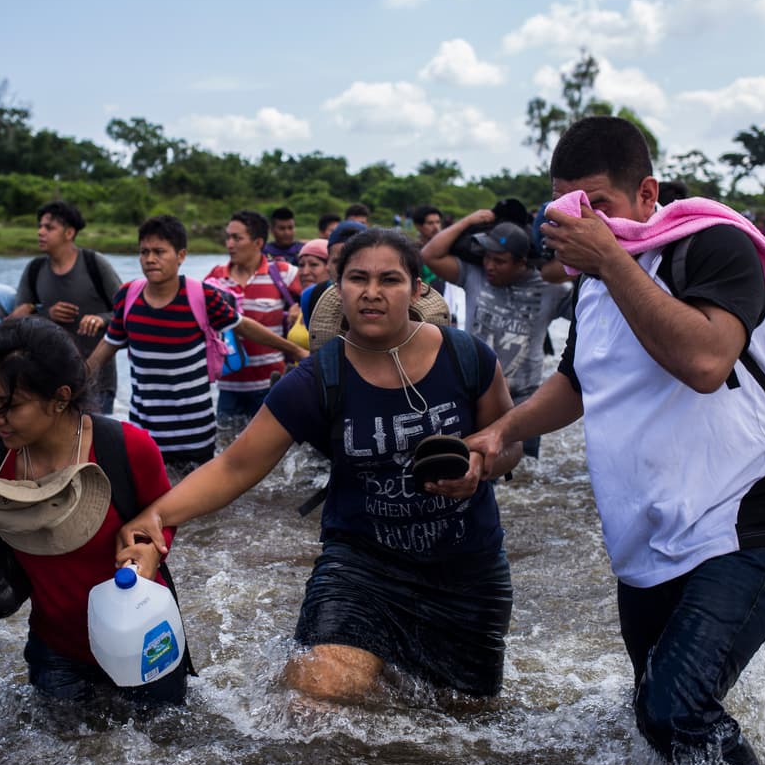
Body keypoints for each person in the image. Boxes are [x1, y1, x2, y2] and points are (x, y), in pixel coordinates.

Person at [468, 117, 765, 765]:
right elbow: (576, 382)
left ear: (648, 192)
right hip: (649, 537)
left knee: (674, 708)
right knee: (652, 716)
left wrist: (610, 259)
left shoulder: (709, 244)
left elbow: (707, 359)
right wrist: (500, 431)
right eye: (570, 207)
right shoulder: (593, 280)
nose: (584, 222)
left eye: (599, 205)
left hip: (743, 520)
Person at [118, 230, 523, 703]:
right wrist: (158, 517)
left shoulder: (467, 356)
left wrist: (482, 462)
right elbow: (234, 466)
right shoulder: (317, 379)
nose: (372, 292)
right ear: (339, 287)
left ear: (416, 290)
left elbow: (510, 443)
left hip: (466, 572)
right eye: (358, 278)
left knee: (466, 716)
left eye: (390, 279)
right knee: (316, 693)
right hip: (361, 568)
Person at [0, 317, 185, 704]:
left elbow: (166, 516)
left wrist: (153, 548)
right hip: (55, 652)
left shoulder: (126, 448)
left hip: (145, 641)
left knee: (163, 747)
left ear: (60, 398)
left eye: (11, 405)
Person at [87, 216, 305, 472]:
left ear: (180, 256)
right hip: (144, 432)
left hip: (196, 434)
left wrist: (295, 350)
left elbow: (243, 326)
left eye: (159, 252)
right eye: (144, 252)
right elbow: (108, 345)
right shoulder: (128, 296)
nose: (150, 259)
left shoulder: (201, 295)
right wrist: (76, 378)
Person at [421, 212, 572, 458]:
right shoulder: (474, 275)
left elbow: (589, 315)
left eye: (499, 261)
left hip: (525, 400)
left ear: (522, 262)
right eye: (487, 258)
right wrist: (468, 221)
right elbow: (429, 255)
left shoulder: (550, 289)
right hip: (475, 394)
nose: (490, 266)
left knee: (525, 475)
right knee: (473, 465)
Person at [11, 200, 121, 414]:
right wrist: (47, 314)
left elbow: (126, 312)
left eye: (49, 227)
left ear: (69, 233)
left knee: (94, 444)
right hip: (50, 381)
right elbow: (18, 321)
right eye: (40, 226)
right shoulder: (35, 270)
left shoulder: (95, 264)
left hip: (98, 381)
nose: (40, 232)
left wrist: (102, 319)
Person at [204, 210, 301, 421]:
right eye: (228, 237)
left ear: (258, 242)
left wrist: (299, 311)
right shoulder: (215, 277)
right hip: (228, 387)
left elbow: (318, 301)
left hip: (271, 386)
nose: (229, 244)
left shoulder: (284, 273)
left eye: (237, 238)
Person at [286, 238, 329, 353]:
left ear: (330, 268)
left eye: (313, 265)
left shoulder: (337, 310)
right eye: (301, 265)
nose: (305, 272)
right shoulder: (303, 304)